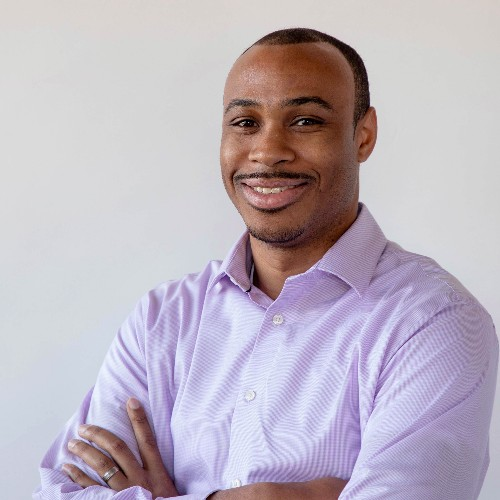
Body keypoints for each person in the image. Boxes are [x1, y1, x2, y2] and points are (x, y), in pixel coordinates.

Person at [34, 28, 498, 500]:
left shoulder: (435, 321)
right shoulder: (163, 320)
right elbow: (56, 493)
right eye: (245, 122)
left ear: (364, 135)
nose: (267, 151)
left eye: (306, 120)